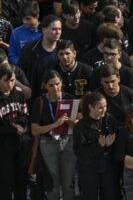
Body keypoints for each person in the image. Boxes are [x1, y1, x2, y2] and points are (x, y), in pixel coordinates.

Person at [30, 70, 78, 200]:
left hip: (67, 140)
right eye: (51, 85)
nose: (55, 88)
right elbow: (34, 129)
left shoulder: (70, 98)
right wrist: (54, 125)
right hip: (48, 143)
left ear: (62, 83)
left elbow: (79, 123)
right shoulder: (40, 102)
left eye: (57, 84)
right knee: (52, 182)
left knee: (68, 182)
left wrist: (68, 120)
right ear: (44, 86)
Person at [73, 92, 120, 200]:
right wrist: (99, 145)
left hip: (106, 163)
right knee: (90, 195)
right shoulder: (81, 126)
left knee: (109, 194)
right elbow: (79, 152)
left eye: (105, 106)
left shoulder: (109, 119)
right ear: (90, 107)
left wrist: (108, 145)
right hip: (88, 166)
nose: (104, 110)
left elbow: (116, 138)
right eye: (100, 107)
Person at [0, 62, 30, 200]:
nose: (11, 84)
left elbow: (24, 114)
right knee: (6, 185)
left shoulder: (18, 94)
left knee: (21, 183)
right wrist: (12, 129)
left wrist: (23, 125)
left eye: (12, 80)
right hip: (3, 149)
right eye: (7, 81)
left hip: (20, 146)